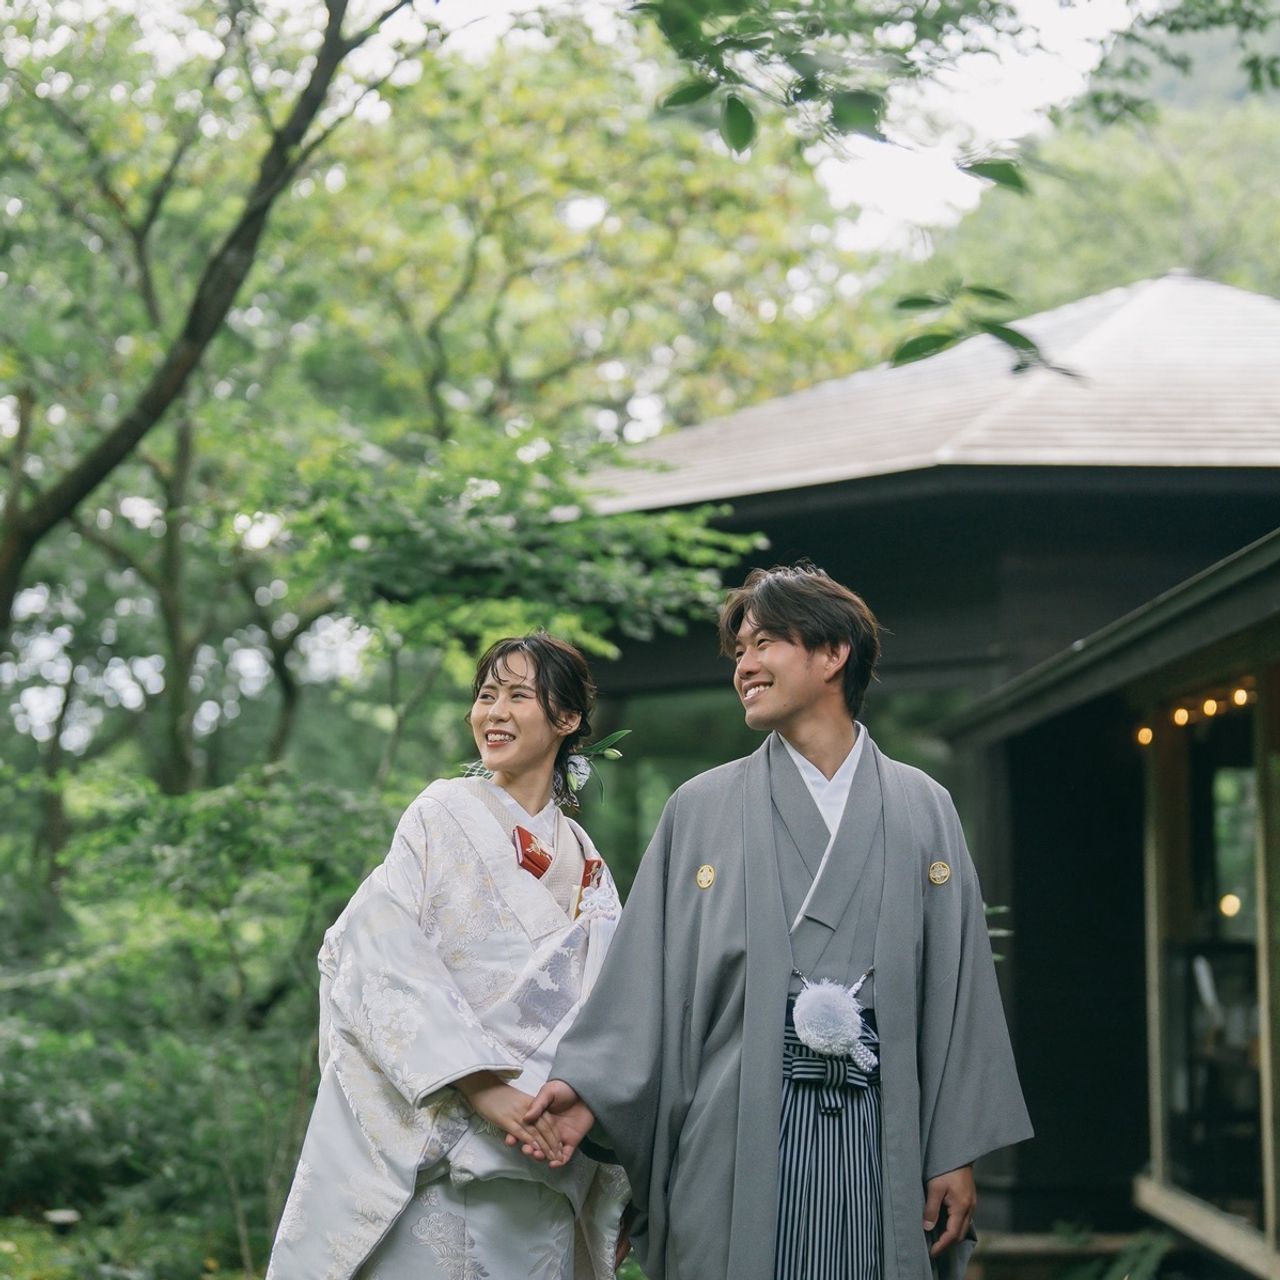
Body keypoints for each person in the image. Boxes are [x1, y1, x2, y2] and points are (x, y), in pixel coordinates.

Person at [527, 564, 1033, 1280]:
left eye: (765, 644)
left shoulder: (924, 806)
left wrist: (954, 1150)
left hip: (883, 1130)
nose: (745, 666)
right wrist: (588, 1090)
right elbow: (646, 981)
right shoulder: (699, 808)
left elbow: (959, 990)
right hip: (731, 1129)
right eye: (739, 651)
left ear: (833, 654)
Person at [267, 633, 629, 1280]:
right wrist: (483, 1085)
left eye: (518, 696)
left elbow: (618, 1014)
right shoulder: (441, 813)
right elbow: (377, 946)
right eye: (486, 695)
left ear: (567, 719)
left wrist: (591, 1123)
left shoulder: (589, 864)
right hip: (439, 1151)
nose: (494, 713)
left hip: (540, 1163)